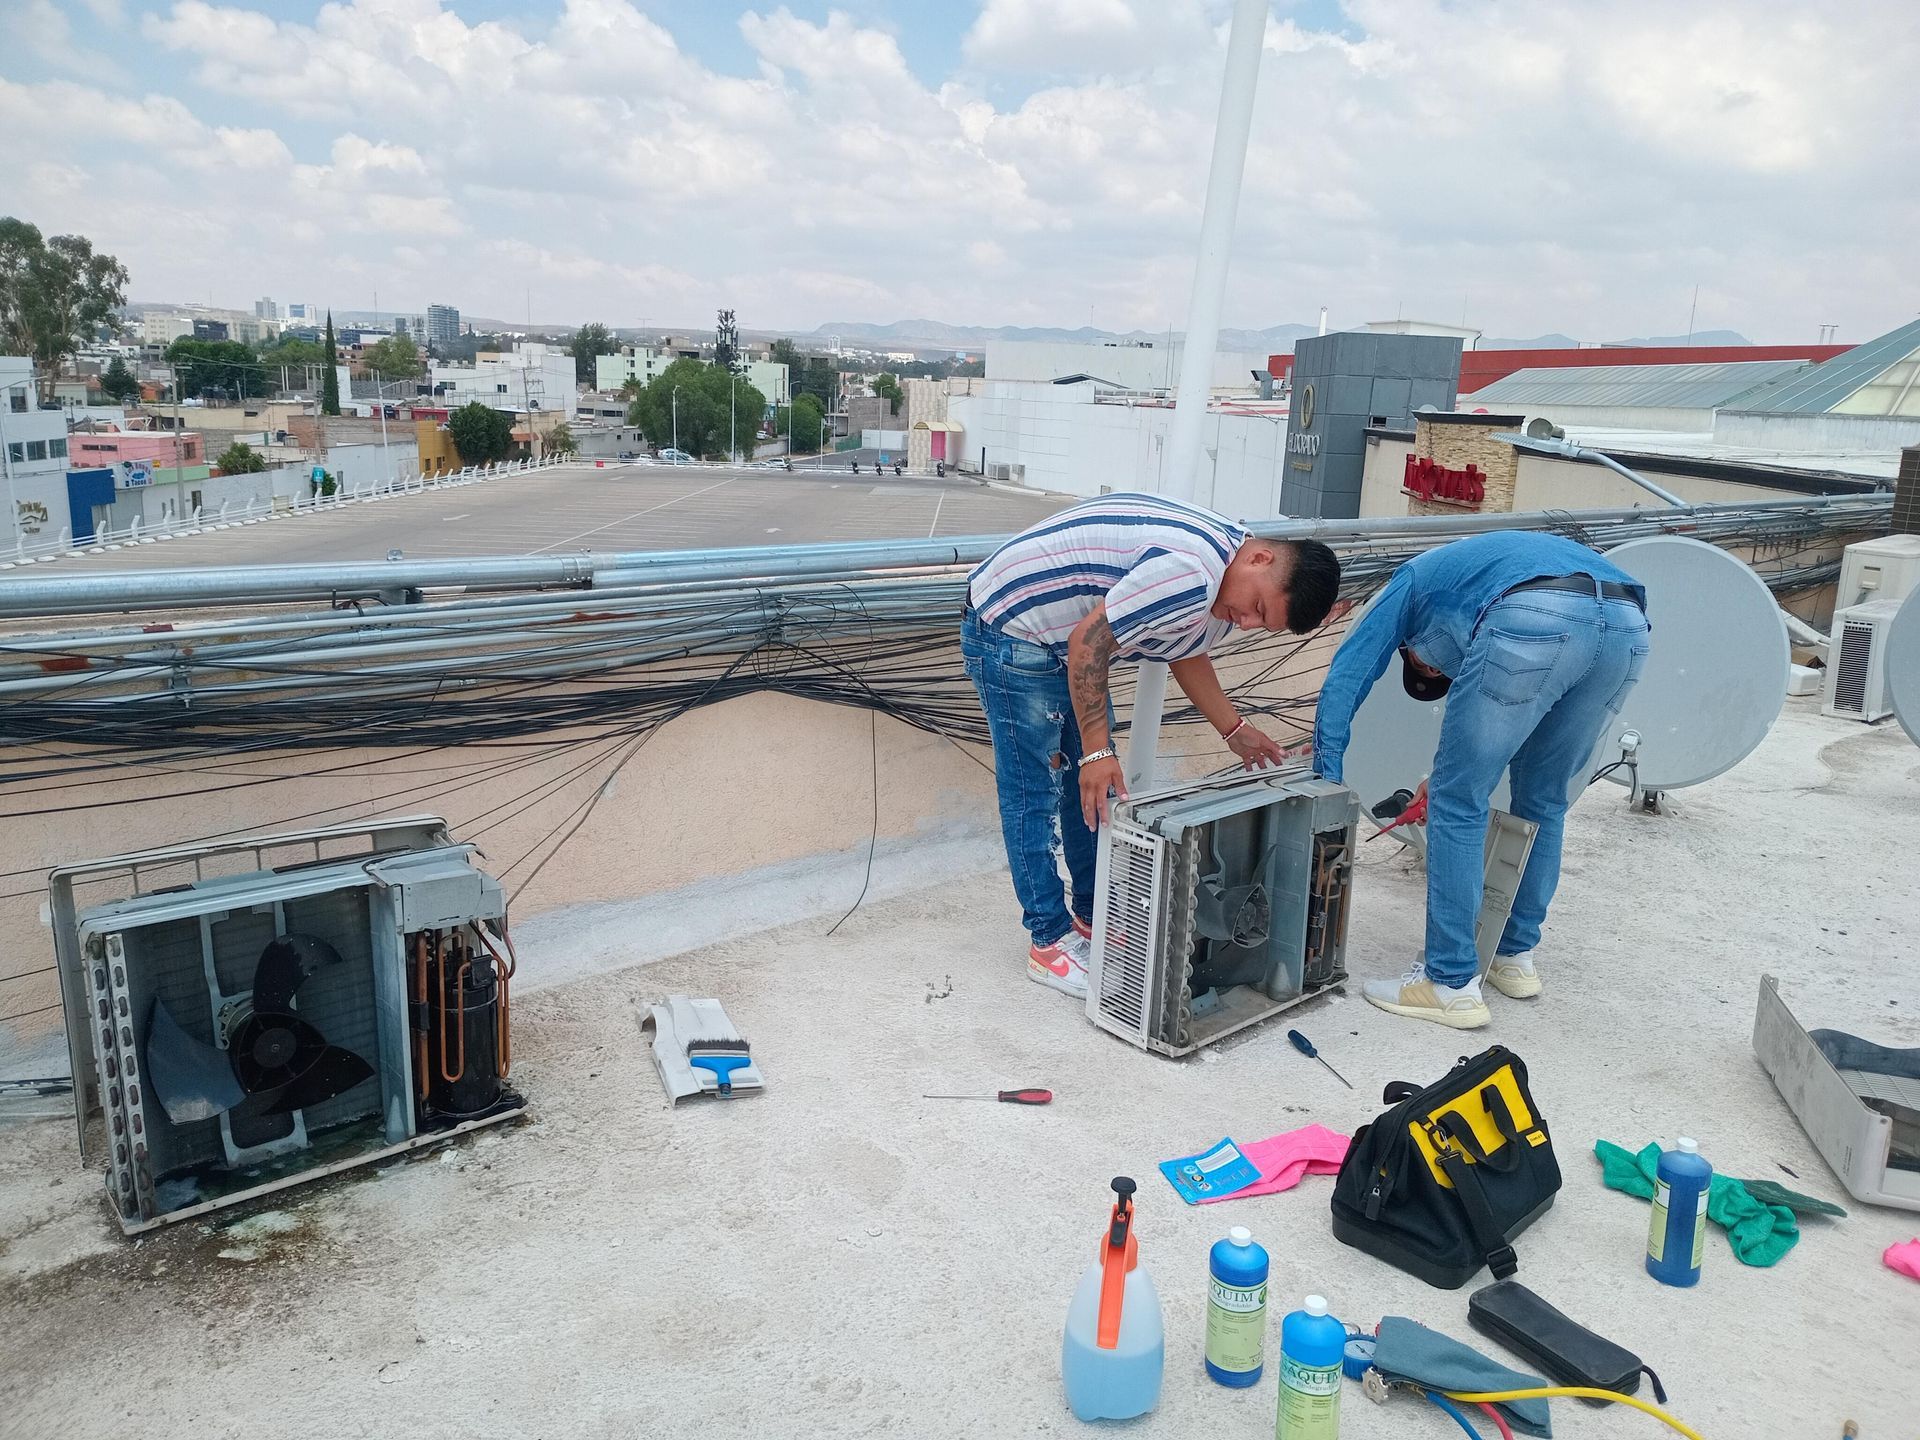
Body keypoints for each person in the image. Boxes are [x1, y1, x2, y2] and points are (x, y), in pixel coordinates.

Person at [962, 493, 1343, 999]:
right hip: (1014, 629)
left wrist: (1234, 730)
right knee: (1034, 791)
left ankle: (1090, 916)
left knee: (1095, 792)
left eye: (1259, 623)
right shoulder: (1191, 573)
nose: (1246, 622)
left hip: (1062, 644)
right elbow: (1089, 645)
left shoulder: (1227, 571)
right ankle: (1048, 942)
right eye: (1256, 609)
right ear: (1261, 558)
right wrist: (1097, 753)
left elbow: (1185, 647)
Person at [1312, 531, 1650, 1029]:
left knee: (1456, 801)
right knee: (1544, 798)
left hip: (1533, 614)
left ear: (1411, 647)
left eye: (1431, 668)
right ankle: (1514, 958)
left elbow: (1348, 674)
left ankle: (1449, 983)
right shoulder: (1474, 573)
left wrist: (1326, 783)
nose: (1438, 669)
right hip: (1626, 626)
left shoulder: (1411, 579)